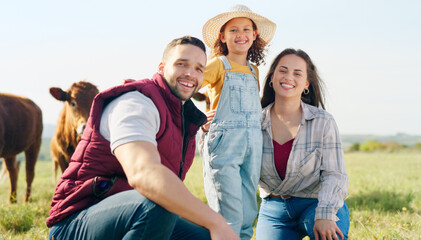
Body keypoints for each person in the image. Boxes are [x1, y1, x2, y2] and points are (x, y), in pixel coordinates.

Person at [46, 36, 239, 240]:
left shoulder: (183, 119)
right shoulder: (136, 103)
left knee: (205, 236)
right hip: (75, 223)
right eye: (182, 64)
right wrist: (217, 221)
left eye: (199, 69)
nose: (190, 73)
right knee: (158, 203)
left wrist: (213, 228)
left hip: (133, 217)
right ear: (162, 67)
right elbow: (144, 175)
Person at [255, 48, 350, 240]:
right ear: (272, 78)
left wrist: (324, 215)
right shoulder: (254, 123)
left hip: (315, 202)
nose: (288, 77)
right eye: (283, 70)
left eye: (297, 73)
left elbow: (335, 174)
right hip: (274, 209)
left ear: (306, 84)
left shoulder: (323, 121)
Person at [199, 4, 276, 239]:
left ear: (254, 35)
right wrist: (198, 118)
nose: (240, 35)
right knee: (228, 212)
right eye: (233, 30)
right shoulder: (218, 64)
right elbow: (187, 84)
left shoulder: (254, 70)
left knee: (246, 213)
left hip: (252, 145)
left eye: (245, 29)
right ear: (222, 36)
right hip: (224, 144)